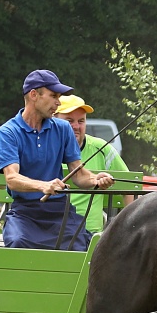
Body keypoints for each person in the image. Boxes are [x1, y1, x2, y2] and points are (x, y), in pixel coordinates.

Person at [0, 69, 114, 250]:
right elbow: (12, 179)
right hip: (25, 213)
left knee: (79, 244)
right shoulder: (8, 132)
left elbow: (79, 174)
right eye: (54, 96)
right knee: (18, 242)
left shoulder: (63, 128)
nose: (58, 102)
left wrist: (96, 179)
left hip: (60, 211)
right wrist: (43, 186)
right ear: (34, 95)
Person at [53, 94, 131, 233]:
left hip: (91, 236)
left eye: (81, 121)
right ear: (54, 120)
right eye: (69, 120)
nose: (76, 126)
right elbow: (2, 183)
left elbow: (130, 184)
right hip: (51, 231)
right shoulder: (44, 147)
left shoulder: (101, 148)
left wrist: (130, 228)